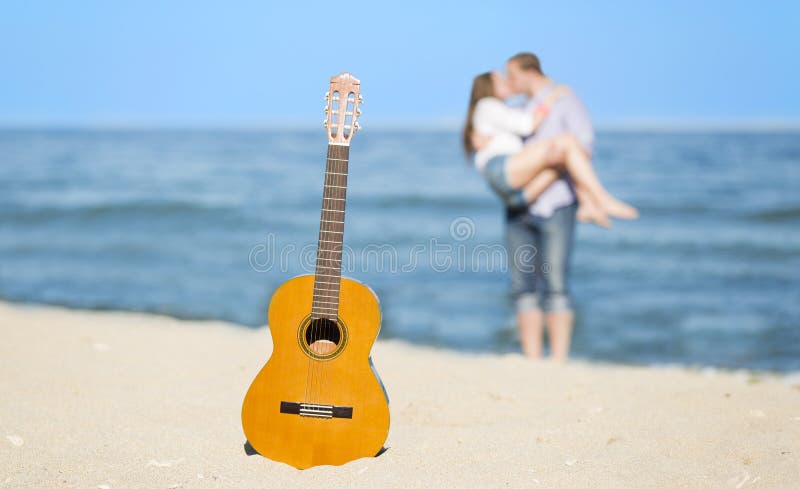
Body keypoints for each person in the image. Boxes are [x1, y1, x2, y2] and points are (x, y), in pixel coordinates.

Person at [463, 56, 637, 361]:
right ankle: (533, 361)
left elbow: (583, 146)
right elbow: (506, 132)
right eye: (502, 78)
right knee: (522, 287)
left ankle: (557, 362)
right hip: (519, 208)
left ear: (529, 73)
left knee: (556, 284)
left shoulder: (565, 100)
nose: (508, 82)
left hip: (555, 204)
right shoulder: (513, 109)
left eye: (511, 76)